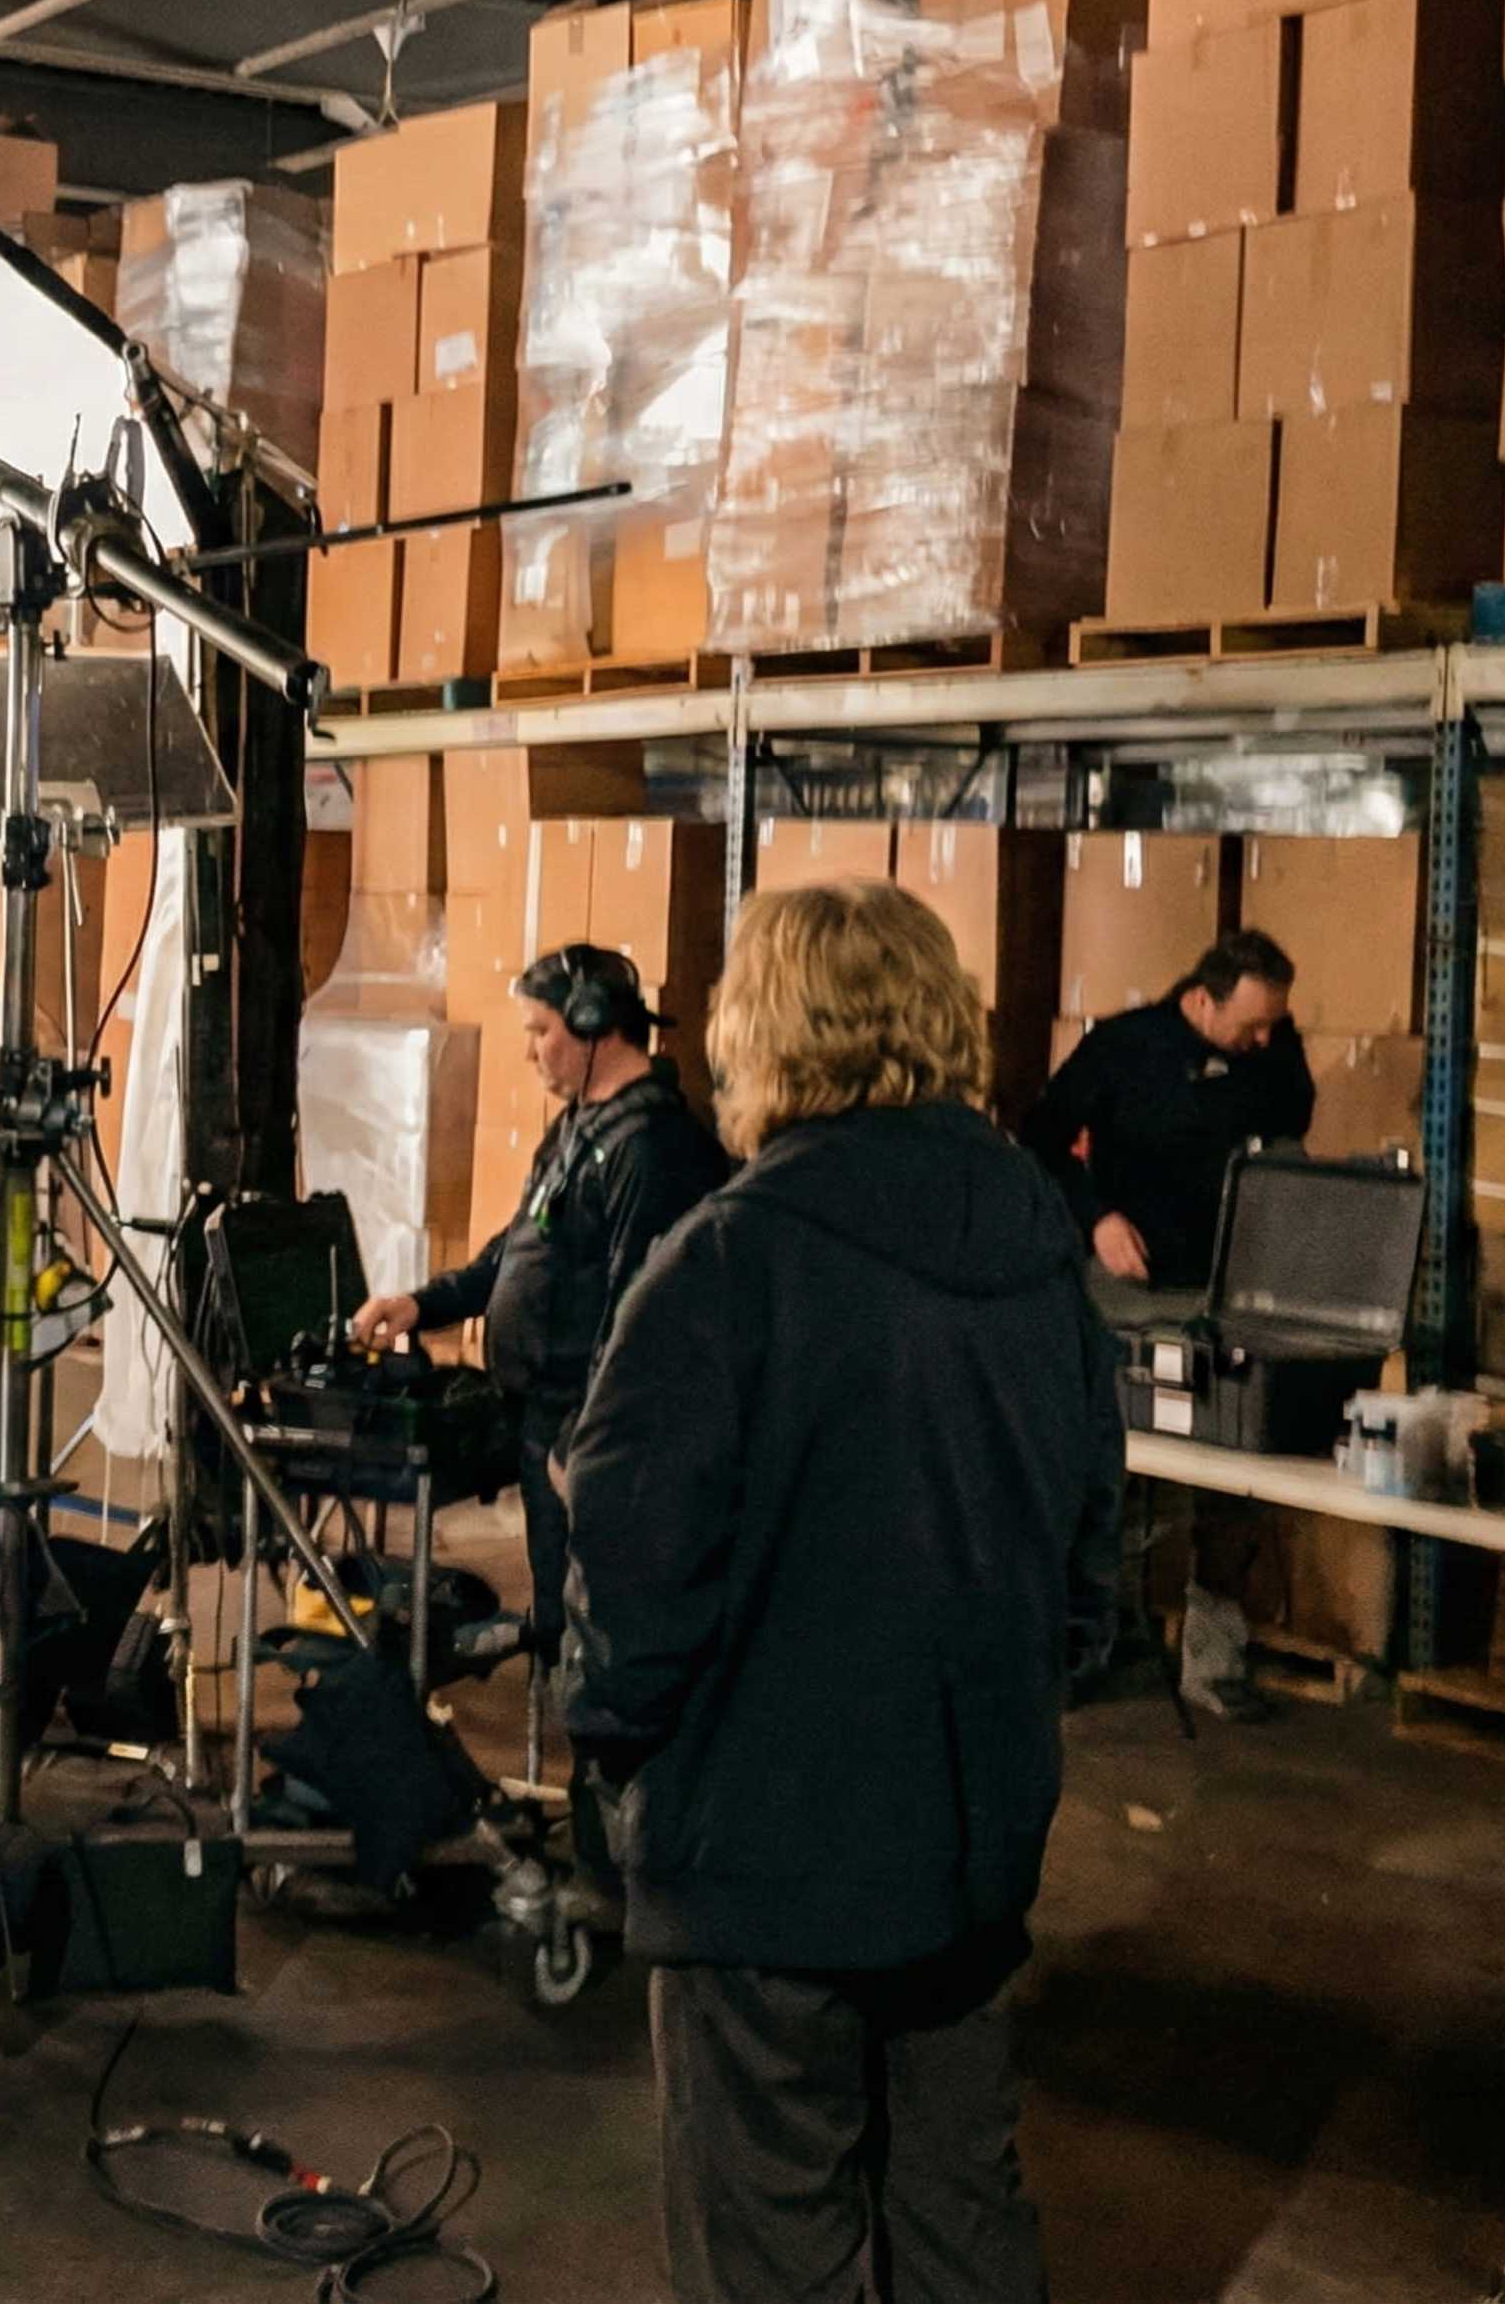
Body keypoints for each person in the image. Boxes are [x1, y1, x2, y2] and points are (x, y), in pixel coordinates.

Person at [559, 881, 1124, 2304]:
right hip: (969, 1851)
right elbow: (1091, 1565)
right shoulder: (1040, 1245)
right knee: (960, 2222)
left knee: (772, 2247)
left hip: (764, 1875)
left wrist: (630, 1779)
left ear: (767, 1033)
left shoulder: (724, 1265)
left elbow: (628, 1589)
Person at [353, 944, 728, 1674]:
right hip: (546, 1421)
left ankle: (594, 1776)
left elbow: (638, 1315)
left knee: (601, 1636)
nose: (529, 1052)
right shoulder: (581, 1129)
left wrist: (585, 1445)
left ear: (594, 1026)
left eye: (540, 1031)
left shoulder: (651, 1149)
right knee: (563, 1620)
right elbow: (516, 1249)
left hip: (585, 1438)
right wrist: (421, 1304)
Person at [1021, 928, 1314, 1723]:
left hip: (1224, 1295)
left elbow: (1295, 1127)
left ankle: (1213, 1662)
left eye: (1273, 1026)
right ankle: (1088, 1648)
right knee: (1107, 1464)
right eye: (1251, 1024)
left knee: (1232, 1481)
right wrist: (1096, 1221)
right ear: (1199, 999)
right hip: (1129, 1291)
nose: (1264, 1038)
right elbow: (1042, 1138)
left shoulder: (1272, 1051)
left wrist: (1273, 1050)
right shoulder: (1125, 1048)